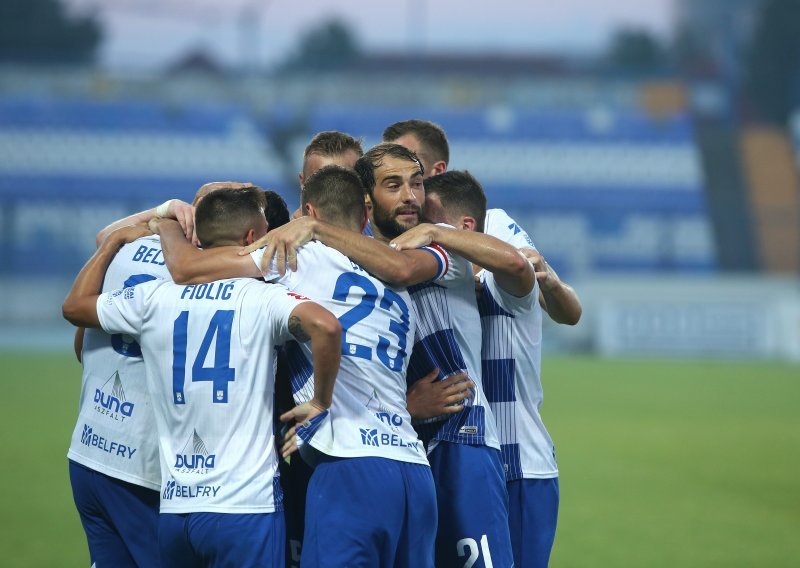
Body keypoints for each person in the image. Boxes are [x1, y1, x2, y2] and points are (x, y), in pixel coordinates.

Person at [245, 143, 531, 568]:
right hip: (403, 447)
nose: (411, 197)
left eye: (416, 184)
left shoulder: (435, 251)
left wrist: (438, 232)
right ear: (366, 200)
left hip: (460, 436)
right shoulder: (341, 264)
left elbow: (515, 269)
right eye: (393, 186)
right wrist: (408, 407)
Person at [151, 166, 448, 567]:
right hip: (414, 471)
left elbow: (187, 270)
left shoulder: (299, 257)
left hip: (347, 463)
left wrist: (164, 225)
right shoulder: (395, 281)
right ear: (363, 217)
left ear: (306, 213)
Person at [62, 187, 342, 567]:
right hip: (239, 500)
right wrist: (320, 401)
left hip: (158, 492)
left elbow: (77, 317)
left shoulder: (156, 293)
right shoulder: (261, 295)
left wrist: (126, 237)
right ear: (252, 238)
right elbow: (325, 325)